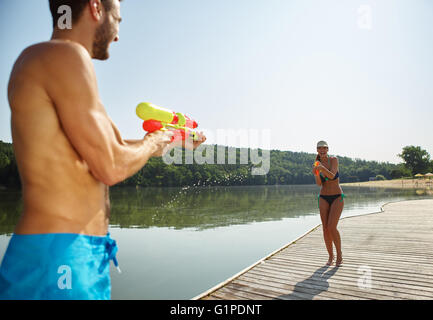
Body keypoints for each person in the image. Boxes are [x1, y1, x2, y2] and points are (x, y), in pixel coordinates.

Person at [0, 0, 206, 300]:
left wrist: (173, 139)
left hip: (72, 253)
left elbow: (113, 150)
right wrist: (151, 143)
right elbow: (111, 166)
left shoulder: (52, 61)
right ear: (96, 8)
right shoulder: (65, 55)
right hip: (59, 256)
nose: (118, 34)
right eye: (118, 20)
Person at [312, 141, 344, 267]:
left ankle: (339, 255)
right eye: (320, 148)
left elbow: (331, 176)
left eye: (324, 148)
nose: (322, 150)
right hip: (323, 197)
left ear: (328, 149)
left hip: (337, 196)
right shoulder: (316, 164)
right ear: (317, 150)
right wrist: (316, 172)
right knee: (325, 228)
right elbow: (319, 183)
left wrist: (321, 168)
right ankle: (331, 256)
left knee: (332, 227)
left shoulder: (334, 160)